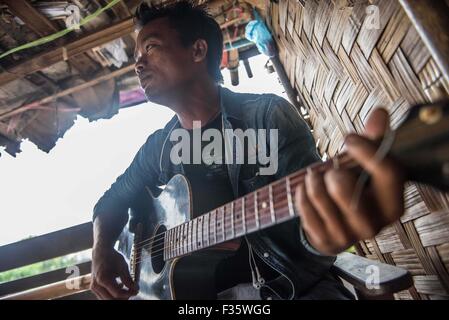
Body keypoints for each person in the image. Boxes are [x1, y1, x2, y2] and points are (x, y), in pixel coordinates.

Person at [90, 1, 404, 300]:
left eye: (151, 48)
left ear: (198, 50)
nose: (138, 63)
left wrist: (324, 236)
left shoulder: (267, 117)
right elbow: (110, 202)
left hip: (288, 288)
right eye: (136, 55)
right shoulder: (157, 150)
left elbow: (309, 230)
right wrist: (102, 251)